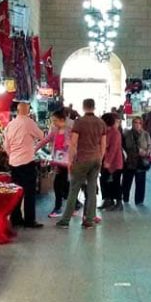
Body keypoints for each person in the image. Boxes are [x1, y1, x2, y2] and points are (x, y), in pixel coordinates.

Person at [55, 98, 106, 229]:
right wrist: (100, 158)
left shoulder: (79, 122)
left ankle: (65, 220)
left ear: (83, 107)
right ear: (94, 107)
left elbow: (73, 143)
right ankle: (89, 220)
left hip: (81, 160)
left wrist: (70, 160)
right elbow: (103, 144)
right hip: (95, 159)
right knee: (92, 190)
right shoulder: (101, 123)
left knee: (74, 190)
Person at [3, 102, 45, 229]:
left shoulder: (10, 125)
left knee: (16, 191)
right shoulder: (29, 122)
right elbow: (42, 136)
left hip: (14, 163)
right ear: (27, 111)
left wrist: (12, 155)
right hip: (27, 162)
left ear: (17, 110)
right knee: (29, 192)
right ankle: (29, 220)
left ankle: (16, 218)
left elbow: (6, 145)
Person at [46, 110, 72, 218]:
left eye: (55, 120)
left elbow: (73, 146)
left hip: (68, 163)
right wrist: (35, 148)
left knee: (62, 185)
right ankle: (64, 207)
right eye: (53, 121)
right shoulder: (55, 130)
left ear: (62, 120)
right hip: (59, 162)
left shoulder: (70, 131)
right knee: (60, 185)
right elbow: (47, 140)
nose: (54, 123)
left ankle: (59, 208)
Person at [121, 116, 151, 206]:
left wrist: (146, 152)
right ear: (132, 123)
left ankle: (139, 201)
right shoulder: (126, 134)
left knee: (140, 182)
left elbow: (150, 147)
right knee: (126, 182)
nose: (137, 125)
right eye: (135, 122)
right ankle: (125, 198)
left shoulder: (146, 134)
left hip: (141, 161)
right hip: (129, 161)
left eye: (139, 123)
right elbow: (122, 146)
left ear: (142, 124)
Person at [100, 113, 124, 211]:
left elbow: (113, 149)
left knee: (115, 182)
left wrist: (108, 161)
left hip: (115, 162)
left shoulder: (115, 133)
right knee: (104, 181)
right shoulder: (105, 131)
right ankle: (107, 200)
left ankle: (119, 202)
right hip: (105, 160)